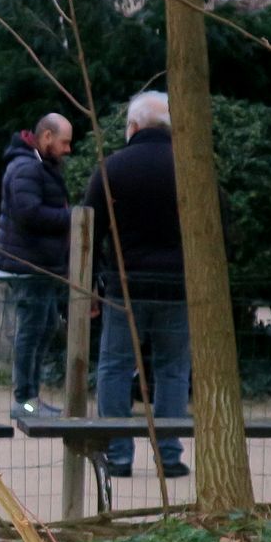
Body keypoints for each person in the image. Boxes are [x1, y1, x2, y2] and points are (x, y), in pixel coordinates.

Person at [82, 91, 190, 478]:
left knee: (114, 366)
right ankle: (170, 454)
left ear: (133, 126)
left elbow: (87, 231)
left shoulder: (112, 168)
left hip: (125, 285)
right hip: (177, 286)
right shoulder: (189, 167)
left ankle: (118, 453)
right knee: (173, 369)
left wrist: (92, 283)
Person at [0, 112, 73, 421]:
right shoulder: (28, 168)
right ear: (47, 137)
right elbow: (29, 213)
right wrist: (74, 218)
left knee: (43, 327)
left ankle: (29, 397)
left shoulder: (35, 166)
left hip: (36, 264)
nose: (68, 149)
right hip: (28, 265)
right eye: (64, 142)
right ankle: (25, 399)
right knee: (32, 330)